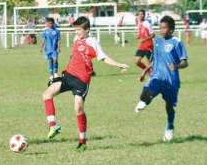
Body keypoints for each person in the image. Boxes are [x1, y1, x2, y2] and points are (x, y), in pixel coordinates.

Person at [42, 17, 129, 152]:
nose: (77, 32)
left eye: (79, 30)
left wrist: (119, 64)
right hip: (68, 76)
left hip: (82, 80)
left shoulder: (93, 42)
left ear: (87, 30)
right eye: (76, 29)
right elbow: (74, 57)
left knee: (78, 108)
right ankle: (52, 126)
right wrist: (60, 75)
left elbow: (103, 57)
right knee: (47, 94)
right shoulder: (76, 40)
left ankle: (82, 141)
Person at [135, 16, 188, 142]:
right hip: (157, 76)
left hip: (171, 81)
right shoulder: (157, 42)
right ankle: (144, 101)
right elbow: (154, 61)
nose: (161, 30)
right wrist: (144, 71)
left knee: (169, 107)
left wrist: (176, 65)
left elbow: (185, 62)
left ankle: (170, 127)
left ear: (171, 29)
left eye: (164, 28)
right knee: (149, 88)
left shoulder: (177, 42)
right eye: (160, 28)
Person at [133, 9, 154, 82]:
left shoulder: (147, 23)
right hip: (142, 46)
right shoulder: (139, 24)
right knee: (136, 61)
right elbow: (139, 35)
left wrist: (145, 39)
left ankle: (151, 76)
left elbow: (153, 35)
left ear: (144, 15)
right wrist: (137, 36)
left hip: (149, 46)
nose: (140, 15)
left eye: (142, 14)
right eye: (139, 14)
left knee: (151, 63)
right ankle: (148, 72)